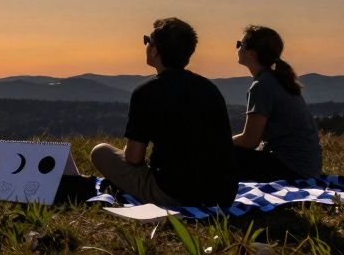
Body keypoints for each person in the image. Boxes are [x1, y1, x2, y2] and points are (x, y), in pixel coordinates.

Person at [90, 18, 238, 209]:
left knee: (100, 151)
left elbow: (134, 158)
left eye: (147, 40)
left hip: (176, 194)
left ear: (154, 50)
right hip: (222, 193)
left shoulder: (147, 92)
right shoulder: (210, 89)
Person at [231, 25, 323, 180]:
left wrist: (219, 142)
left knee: (220, 154)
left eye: (240, 44)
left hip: (291, 169)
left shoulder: (261, 86)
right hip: (307, 168)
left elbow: (250, 140)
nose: (237, 48)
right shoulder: (278, 79)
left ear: (252, 54)